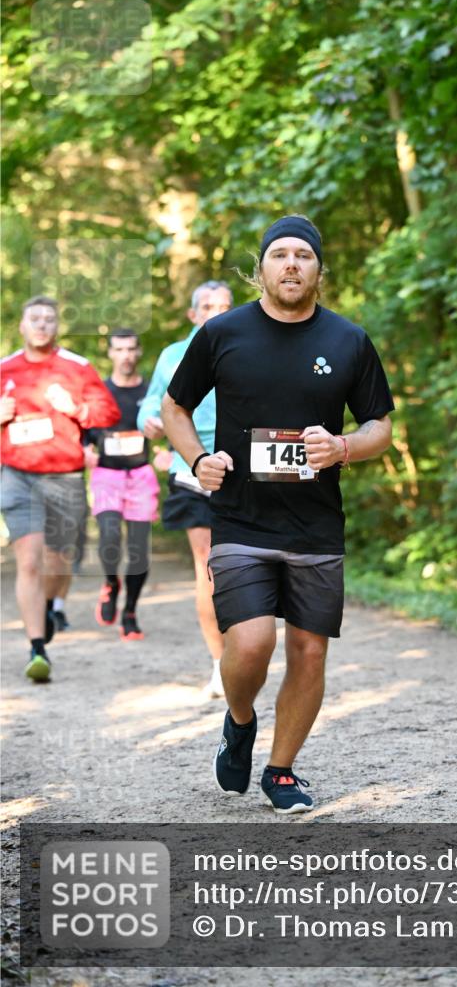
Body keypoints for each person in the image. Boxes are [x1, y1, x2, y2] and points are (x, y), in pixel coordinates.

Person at [162, 216, 394, 813]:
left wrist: (343, 446)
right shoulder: (222, 333)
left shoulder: (348, 340)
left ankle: (281, 770)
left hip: (316, 524)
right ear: (260, 268)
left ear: (319, 270)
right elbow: (174, 406)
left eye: (303, 255)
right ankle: (240, 720)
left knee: (310, 651)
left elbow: (380, 426)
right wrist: (199, 459)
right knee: (252, 641)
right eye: (280, 254)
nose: (292, 264)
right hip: (240, 518)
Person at [0, 296, 121, 682]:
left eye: (49, 319)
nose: (41, 324)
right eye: (34, 318)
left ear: (57, 327)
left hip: (64, 477)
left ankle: (51, 605)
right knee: (29, 561)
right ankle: (37, 648)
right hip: (17, 475)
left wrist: (76, 409)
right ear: (22, 326)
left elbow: (109, 412)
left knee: (58, 558)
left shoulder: (76, 367)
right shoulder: (4, 369)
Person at [137, 281, 233, 695]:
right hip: (191, 468)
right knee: (208, 565)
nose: (216, 313)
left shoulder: (248, 349)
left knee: (246, 565)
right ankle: (220, 664)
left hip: (242, 468)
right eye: (208, 306)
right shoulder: (173, 355)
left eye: (224, 306)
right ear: (193, 314)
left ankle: (248, 653)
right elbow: (152, 401)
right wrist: (148, 419)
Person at [87, 328, 160, 640]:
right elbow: (84, 430)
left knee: (139, 550)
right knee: (109, 535)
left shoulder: (149, 392)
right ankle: (110, 582)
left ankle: (129, 612)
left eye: (131, 349)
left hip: (140, 475)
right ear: (110, 353)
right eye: (119, 349)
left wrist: (166, 450)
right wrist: (85, 449)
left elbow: (170, 423)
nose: (126, 355)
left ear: (138, 352)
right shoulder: (100, 391)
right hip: (107, 475)